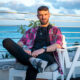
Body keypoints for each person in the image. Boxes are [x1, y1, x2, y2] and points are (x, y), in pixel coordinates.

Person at [2, 6, 63, 80]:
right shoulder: (31, 30)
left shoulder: (55, 30)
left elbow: (58, 45)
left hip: (46, 56)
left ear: (49, 15)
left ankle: (34, 61)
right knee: (6, 41)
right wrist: (24, 49)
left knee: (34, 66)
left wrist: (43, 49)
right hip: (30, 55)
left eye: (45, 14)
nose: (43, 17)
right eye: (40, 15)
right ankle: (32, 60)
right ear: (37, 16)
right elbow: (20, 43)